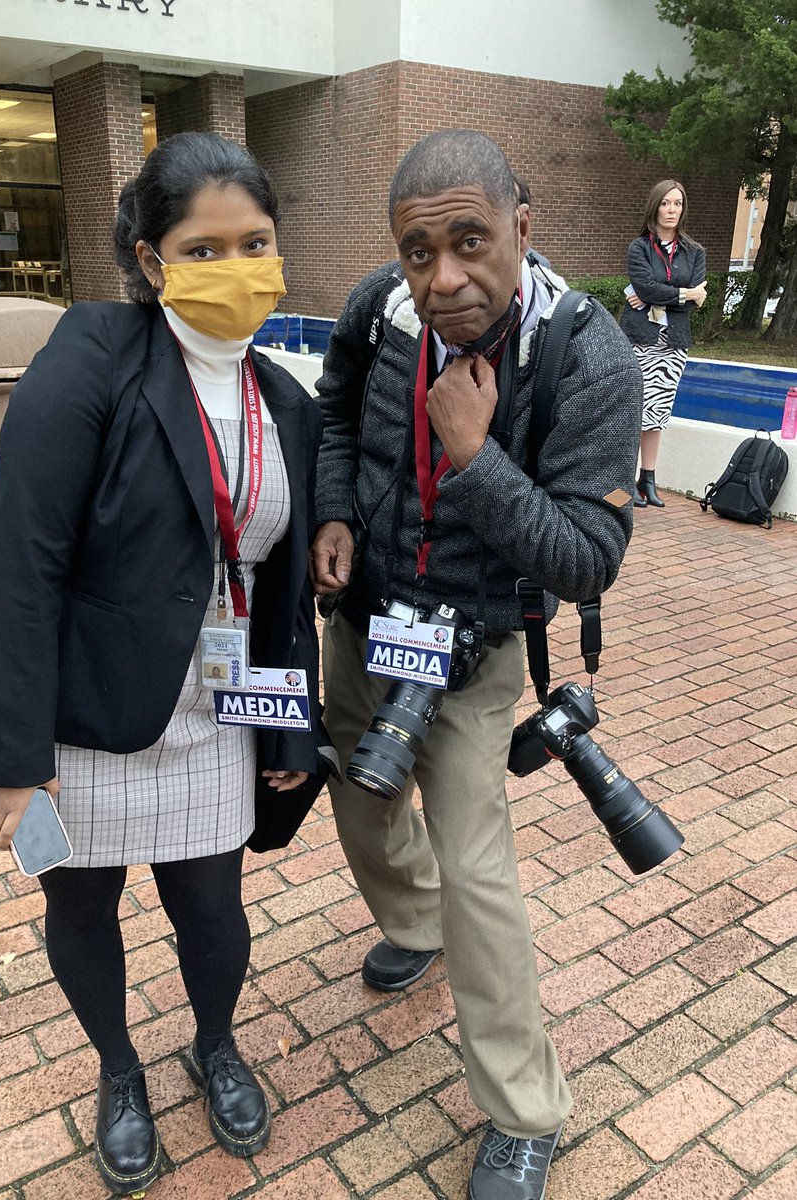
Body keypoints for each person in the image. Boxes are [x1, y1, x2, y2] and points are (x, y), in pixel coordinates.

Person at [0, 132, 331, 1195]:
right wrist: (11, 751)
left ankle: (214, 1043)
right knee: (82, 906)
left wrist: (290, 722)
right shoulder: (94, 355)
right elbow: (24, 561)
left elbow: (283, 597)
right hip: (81, 711)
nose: (236, 268)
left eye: (254, 243)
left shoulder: (288, 405)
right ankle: (119, 1071)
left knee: (212, 907)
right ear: (150, 258)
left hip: (215, 709)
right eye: (204, 249)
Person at [311, 129, 641, 1200]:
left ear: (521, 229)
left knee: (478, 873)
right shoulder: (376, 309)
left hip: (473, 643)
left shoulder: (587, 355)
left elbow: (590, 558)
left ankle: (525, 1111)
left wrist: (475, 458)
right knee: (359, 807)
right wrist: (331, 510)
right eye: (419, 251)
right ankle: (412, 925)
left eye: (470, 241)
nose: (445, 276)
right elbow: (331, 414)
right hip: (364, 619)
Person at [620, 179, 706, 508]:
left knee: (657, 413)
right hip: (640, 340)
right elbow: (646, 287)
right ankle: (625, 481)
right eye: (666, 203)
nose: (672, 210)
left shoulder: (694, 252)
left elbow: (697, 298)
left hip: (673, 343)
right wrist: (683, 294)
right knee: (633, 410)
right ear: (655, 207)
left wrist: (658, 295)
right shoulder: (639, 248)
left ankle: (649, 480)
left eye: (678, 204)